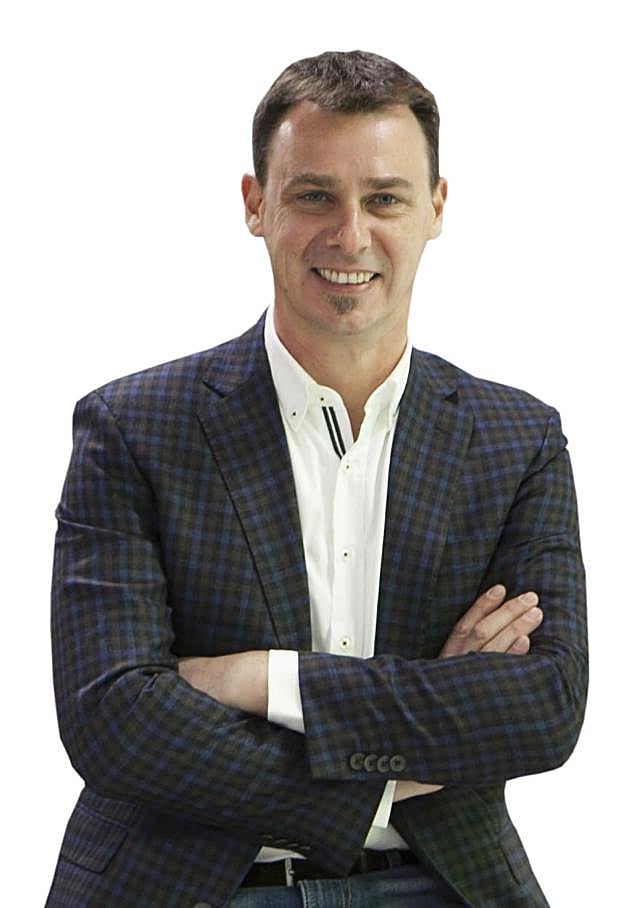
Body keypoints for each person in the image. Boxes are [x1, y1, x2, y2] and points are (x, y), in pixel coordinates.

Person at [46, 50, 587, 908]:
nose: (350, 235)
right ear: (255, 204)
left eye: (385, 199)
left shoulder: (516, 440)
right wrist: (396, 762)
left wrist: (263, 678)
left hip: (441, 880)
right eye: (313, 196)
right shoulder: (132, 428)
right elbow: (113, 718)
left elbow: (543, 707)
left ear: (436, 208)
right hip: (190, 885)